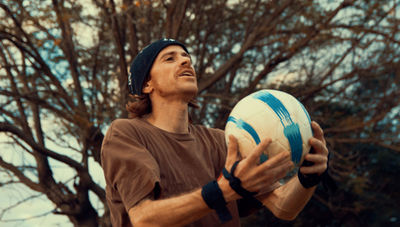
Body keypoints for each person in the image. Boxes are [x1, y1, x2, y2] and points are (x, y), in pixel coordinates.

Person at [101, 38, 330, 227]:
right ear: (146, 85)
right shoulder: (126, 133)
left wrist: (308, 177)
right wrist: (221, 192)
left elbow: (282, 206)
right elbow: (143, 219)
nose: (184, 61)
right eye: (170, 58)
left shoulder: (222, 140)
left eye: (185, 57)